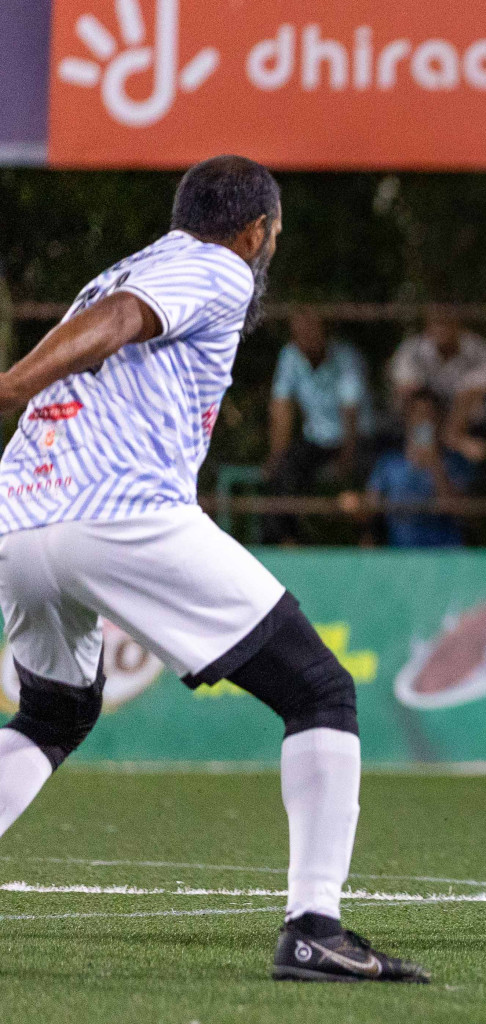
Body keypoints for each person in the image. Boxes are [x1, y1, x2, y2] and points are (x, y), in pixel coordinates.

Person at [0, 156, 427, 983]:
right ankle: (314, 928)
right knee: (319, 690)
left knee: (52, 716)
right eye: (274, 235)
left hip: (17, 520)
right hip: (118, 513)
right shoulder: (216, 266)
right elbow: (127, 319)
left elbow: (117, 314)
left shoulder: (127, 266)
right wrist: (10, 384)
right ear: (256, 230)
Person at [263, 309, 374, 543]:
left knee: (363, 481)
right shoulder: (290, 356)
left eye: (312, 329)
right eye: (300, 332)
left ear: (325, 331)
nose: (306, 336)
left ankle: (369, 541)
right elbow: (281, 406)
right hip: (316, 440)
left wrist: (347, 456)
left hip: (355, 438)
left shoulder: (346, 357)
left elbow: (350, 410)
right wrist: (276, 455)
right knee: (283, 471)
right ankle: (287, 541)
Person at [354, 390, 474, 548]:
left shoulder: (456, 463)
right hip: (403, 558)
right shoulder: (389, 464)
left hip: (447, 557)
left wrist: (435, 466)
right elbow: (368, 511)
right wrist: (354, 504)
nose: (424, 420)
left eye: (430, 415)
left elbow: (462, 513)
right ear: (407, 419)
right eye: (418, 414)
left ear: (440, 420)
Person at [388, 307, 486, 465]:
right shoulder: (410, 350)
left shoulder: (483, 351)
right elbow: (408, 395)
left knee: (463, 399)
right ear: (427, 326)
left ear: (459, 324)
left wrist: (448, 434)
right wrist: (431, 434)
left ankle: (431, 446)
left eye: (447, 322)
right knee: (422, 407)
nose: (442, 328)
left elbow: (471, 395)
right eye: (437, 322)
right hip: (421, 421)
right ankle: (428, 448)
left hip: (468, 421)